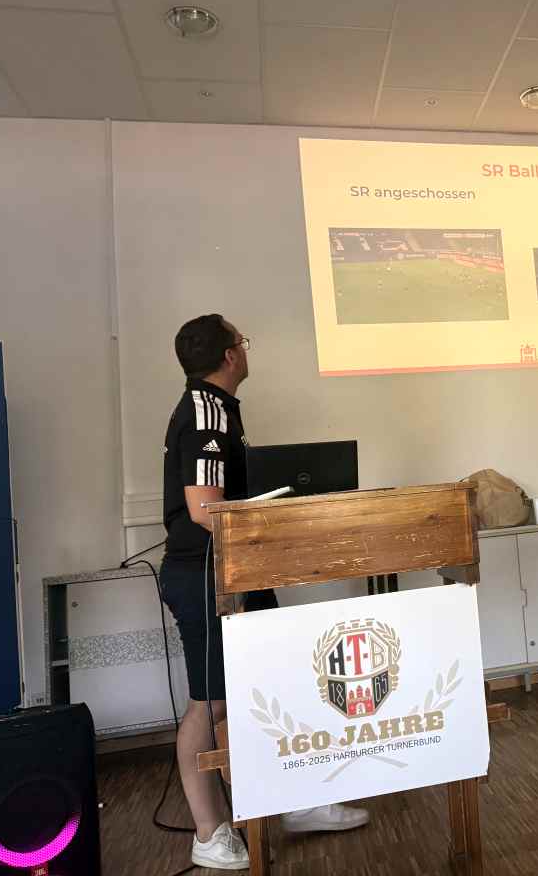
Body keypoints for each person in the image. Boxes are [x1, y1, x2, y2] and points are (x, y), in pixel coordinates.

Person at [159, 314, 368, 871]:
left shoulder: (221, 407)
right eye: (242, 342)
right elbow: (204, 509)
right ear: (230, 355)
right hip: (206, 575)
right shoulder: (205, 411)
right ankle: (209, 832)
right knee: (211, 703)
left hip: (239, 570)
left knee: (267, 687)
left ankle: (293, 801)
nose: (246, 351)